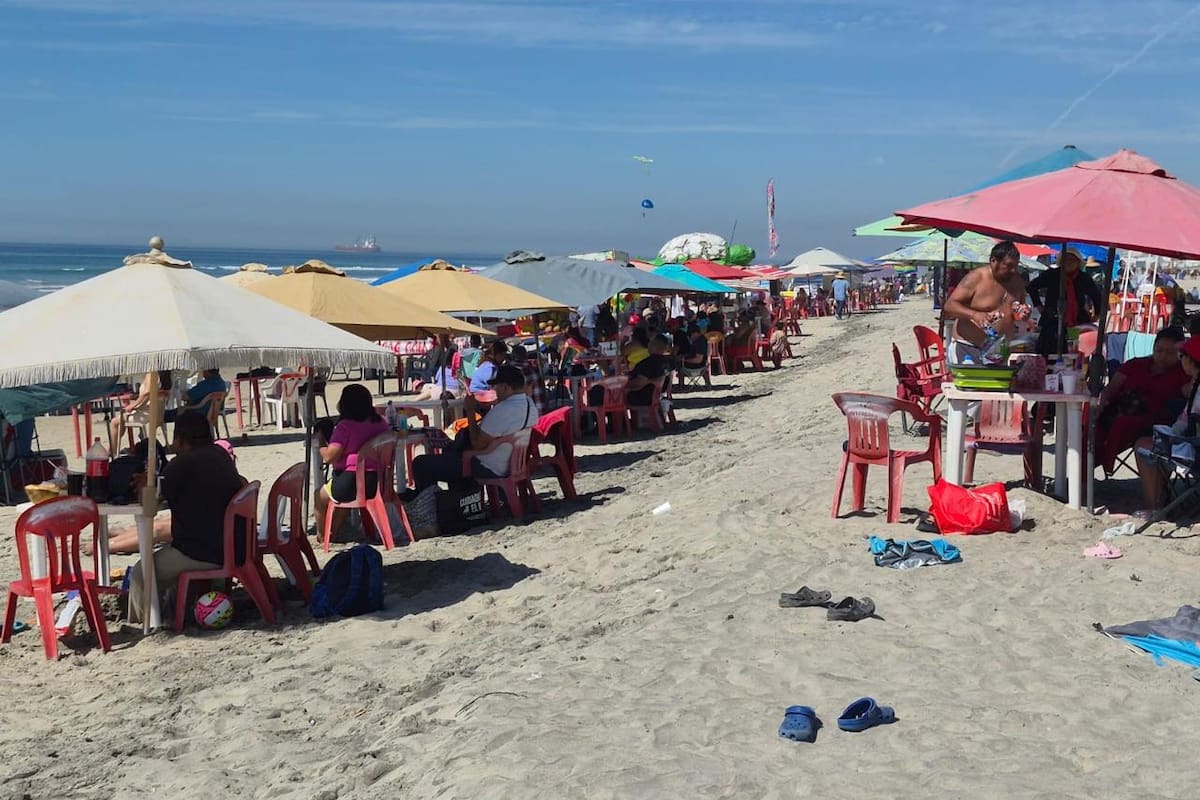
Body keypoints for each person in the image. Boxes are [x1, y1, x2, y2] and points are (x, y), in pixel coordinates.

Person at [128, 411, 246, 623]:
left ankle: (143, 624)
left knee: (141, 573)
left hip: (205, 552)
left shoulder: (182, 464)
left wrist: (144, 486)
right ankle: (170, 610)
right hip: (235, 544)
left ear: (180, 439)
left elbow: (149, 506)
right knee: (166, 559)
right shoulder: (220, 455)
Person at [410, 365, 539, 492]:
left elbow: (477, 444)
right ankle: (456, 499)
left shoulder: (503, 411)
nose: (494, 390)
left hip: (487, 465)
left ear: (506, 387)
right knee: (449, 455)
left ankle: (430, 506)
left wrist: (470, 412)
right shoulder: (529, 405)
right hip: (512, 464)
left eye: (496, 387)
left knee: (421, 463)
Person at [1096, 326, 1187, 475]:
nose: (1163, 356)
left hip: (1156, 420)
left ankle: (1103, 461)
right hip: (1120, 409)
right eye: (1159, 350)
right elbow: (1111, 388)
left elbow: (1189, 392)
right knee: (1094, 421)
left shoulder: (1183, 372)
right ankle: (1081, 473)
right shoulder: (1135, 364)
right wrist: (1102, 399)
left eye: (1170, 353)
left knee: (1124, 423)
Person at [1134, 335, 1200, 512]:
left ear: (1190, 361)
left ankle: (1154, 507)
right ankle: (1162, 497)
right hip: (1193, 444)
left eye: (1181, 356)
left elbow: (1182, 428)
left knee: (1144, 445)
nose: (1180, 361)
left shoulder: (1197, 391)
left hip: (1195, 451)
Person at [315, 384, 391, 536]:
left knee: (319, 496)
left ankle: (322, 535)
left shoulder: (345, 427)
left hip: (350, 483)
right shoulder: (381, 423)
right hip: (378, 483)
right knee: (347, 497)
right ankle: (334, 531)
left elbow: (330, 457)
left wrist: (321, 443)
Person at [943, 240, 1029, 364]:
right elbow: (950, 305)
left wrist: (1023, 314)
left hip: (999, 350)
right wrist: (975, 315)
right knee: (970, 383)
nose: (1013, 270)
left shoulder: (1017, 282)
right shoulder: (976, 278)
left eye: (1016, 266)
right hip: (968, 347)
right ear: (993, 261)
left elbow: (1019, 310)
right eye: (1009, 266)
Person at [1027, 249, 1103, 357]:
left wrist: (1097, 314)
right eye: (1066, 259)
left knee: (1073, 354)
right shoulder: (1052, 274)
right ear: (1061, 261)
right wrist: (1038, 305)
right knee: (1049, 354)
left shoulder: (1083, 278)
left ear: (1078, 262)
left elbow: (1096, 295)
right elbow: (1032, 286)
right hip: (1052, 320)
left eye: (1073, 260)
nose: (1069, 262)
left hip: (1076, 323)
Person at [110, 370, 173, 454]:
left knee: (114, 422)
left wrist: (134, 405)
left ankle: (112, 450)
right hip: (157, 415)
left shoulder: (151, 374)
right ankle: (112, 448)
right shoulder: (165, 377)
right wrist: (137, 398)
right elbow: (152, 394)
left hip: (145, 414)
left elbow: (147, 393)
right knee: (120, 421)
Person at [507, 344, 547, 414]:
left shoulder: (506, 372)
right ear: (526, 356)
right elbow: (539, 401)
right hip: (532, 414)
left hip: (513, 414)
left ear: (512, 356)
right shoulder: (532, 371)